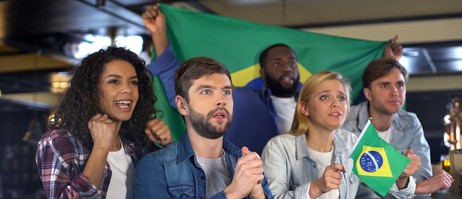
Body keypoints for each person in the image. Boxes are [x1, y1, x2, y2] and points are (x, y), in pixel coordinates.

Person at [142, 4, 402, 155]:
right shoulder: (242, 100)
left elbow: (383, 176)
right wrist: (160, 35)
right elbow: (188, 90)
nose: (287, 67)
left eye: (291, 62)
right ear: (262, 74)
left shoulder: (338, 127)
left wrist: (391, 64)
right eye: (277, 63)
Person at [133, 56, 285, 199]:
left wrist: (258, 197)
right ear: (182, 105)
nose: (221, 99)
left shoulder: (244, 161)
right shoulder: (154, 167)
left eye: (226, 92)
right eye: (206, 91)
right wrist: (232, 194)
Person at [35, 46, 172, 199]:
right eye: (114, 81)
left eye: (133, 82)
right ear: (92, 90)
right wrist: (100, 148)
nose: (127, 90)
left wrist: (167, 146)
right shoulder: (59, 143)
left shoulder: (137, 148)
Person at [261, 71, 420, 199]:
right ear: (305, 108)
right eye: (324, 97)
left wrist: (401, 177)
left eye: (342, 98)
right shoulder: (278, 147)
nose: (336, 104)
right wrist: (316, 187)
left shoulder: (354, 142)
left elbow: (396, 196)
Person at [342, 58, 453, 197]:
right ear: (368, 94)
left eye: (400, 85)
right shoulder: (345, 122)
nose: (395, 92)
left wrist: (412, 186)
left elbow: (423, 180)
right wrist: (410, 187)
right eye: (384, 85)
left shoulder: (411, 123)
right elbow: (353, 189)